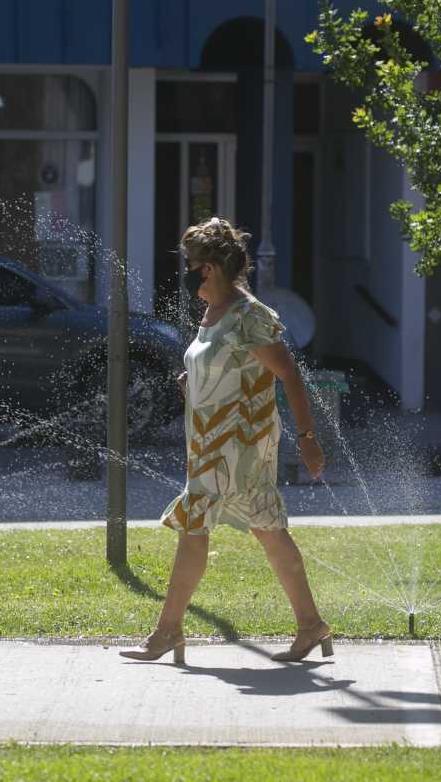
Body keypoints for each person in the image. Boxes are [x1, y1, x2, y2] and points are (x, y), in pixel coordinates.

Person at [120, 216, 330, 665]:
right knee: (266, 531)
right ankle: (310, 624)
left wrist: (308, 438)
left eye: (192, 265)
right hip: (208, 443)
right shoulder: (213, 313)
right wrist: (192, 379)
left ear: (209, 268)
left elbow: (289, 376)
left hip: (240, 444)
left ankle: (167, 633)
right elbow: (222, 366)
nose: (189, 275)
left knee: (206, 528)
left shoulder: (249, 316)